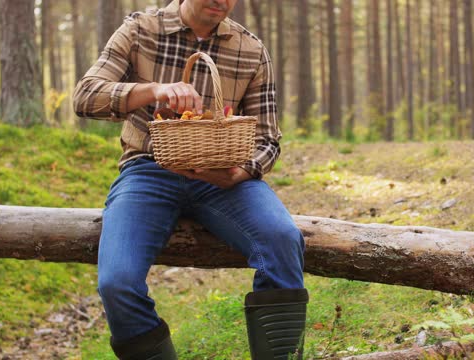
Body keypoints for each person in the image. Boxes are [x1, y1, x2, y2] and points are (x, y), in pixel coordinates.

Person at [72, 0, 308, 359]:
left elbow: (268, 139)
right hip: (148, 171)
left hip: (226, 179)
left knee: (281, 238)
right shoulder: (140, 30)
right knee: (117, 281)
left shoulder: (250, 49)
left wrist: (240, 173)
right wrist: (152, 90)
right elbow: (85, 97)